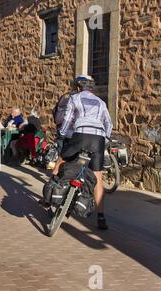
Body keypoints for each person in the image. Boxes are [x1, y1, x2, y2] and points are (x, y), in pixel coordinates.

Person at [53, 75, 113, 230]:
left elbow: (67, 119)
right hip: (98, 139)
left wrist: (63, 133)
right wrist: (105, 139)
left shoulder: (75, 98)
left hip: (80, 135)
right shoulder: (101, 102)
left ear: (78, 88)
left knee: (61, 160)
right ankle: (101, 217)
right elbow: (108, 123)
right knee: (98, 177)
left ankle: (50, 195)